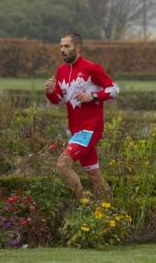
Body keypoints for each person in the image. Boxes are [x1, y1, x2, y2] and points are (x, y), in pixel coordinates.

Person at [45, 32, 119, 198]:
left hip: (91, 128)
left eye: (67, 46)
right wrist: (50, 92)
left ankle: (85, 204)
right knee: (94, 175)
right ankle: (113, 206)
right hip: (76, 131)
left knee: (63, 164)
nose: (62, 50)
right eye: (61, 47)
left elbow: (114, 89)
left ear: (78, 48)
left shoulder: (92, 68)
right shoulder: (61, 71)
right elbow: (59, 101)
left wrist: (92, 96)